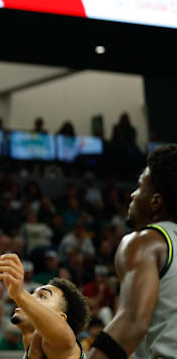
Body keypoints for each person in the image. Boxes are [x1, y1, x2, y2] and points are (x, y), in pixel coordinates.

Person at [88, 145, 177, 359]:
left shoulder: (146, 242)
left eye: (139, 187)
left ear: (156, 200)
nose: (132, 194)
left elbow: (132, 323)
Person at [0, 254, 90, 359]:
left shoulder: (66, 345)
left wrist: (20, 294)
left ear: (61, 318)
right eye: (32, 293)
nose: (30, 298)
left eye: (42, 296)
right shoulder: (33, 345)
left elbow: (59, 330)